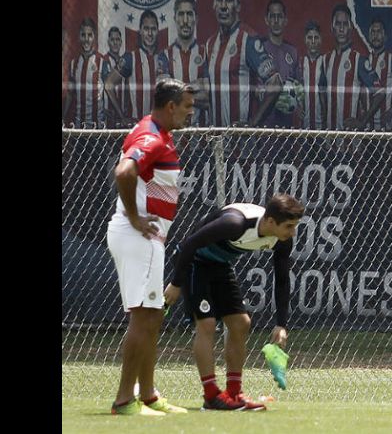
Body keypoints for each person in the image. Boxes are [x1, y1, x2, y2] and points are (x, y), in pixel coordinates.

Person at [162, 194, 305, 411]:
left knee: (241, 323)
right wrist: (176, 283)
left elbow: (282, 278)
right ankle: (211, 397)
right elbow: (189, 244)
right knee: (207, 324)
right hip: (194, 263)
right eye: (289, 226)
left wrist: (281, 324)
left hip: (220, 265)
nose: (293, 232)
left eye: (295, 226)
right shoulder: (235, 224)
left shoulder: (282, 240)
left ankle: (234, 394)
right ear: (270, 222)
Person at [106, 78, 195, 416]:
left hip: (147, 239)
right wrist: (134, 217)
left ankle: (148, 395)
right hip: (139, 237)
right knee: (143, 318)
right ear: (170, 106)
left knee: (152, 316)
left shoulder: (160, 135)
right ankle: (124, 400)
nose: (190, 113)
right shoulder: (152, 137)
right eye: (186, 106)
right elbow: (125, 172)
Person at [204, 0, 282, 127]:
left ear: (238, 6)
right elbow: (207, 94)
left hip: (242, 145)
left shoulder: (248, 40)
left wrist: (252, 125)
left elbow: (276, 84)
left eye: (229, 0)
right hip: (217, 141)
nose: (223, 6)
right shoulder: (210, 44)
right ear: (214, 5)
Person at [321, 3, 384, 130]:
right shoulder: (325, 59)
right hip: (329, 139)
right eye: (338, 24)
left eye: (345, 24)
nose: (341, 29)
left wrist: (362, 121)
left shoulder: (358, 60)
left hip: (350, 141)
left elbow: (380, 93)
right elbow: (321, 91)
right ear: (332, 28)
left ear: (350, 28)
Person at [105, 10, 170, 126]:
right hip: (136, 126)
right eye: (146, 29)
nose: (150, 33)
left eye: (153, 29)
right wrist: (122, 117)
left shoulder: (163, 58)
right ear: (140, 31)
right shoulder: (131, 57)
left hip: (157, 126)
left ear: (157, 31)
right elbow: (109, 84)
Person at [160, 0, 211, 126]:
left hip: (200, 140)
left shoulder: (205, 53)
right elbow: (165, 98)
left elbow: (208, 99)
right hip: (174, 138)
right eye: (181, 14)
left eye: (189, 14)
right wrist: (195, 87)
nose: (185, 20)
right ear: (175, 18)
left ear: (196, 19)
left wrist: (178, 93)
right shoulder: (165, 55)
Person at [253, 0, 302, 128]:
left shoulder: (293, 52)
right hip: (264, 127)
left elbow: (299, 87)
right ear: (266, 20)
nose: (276, 21)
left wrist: (296, 95)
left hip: (287, 129)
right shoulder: (258, 50)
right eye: (272, 16)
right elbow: (252, 88)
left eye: (279, 16)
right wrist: (269, 95)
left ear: (285, 20)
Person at [62, 17, 106, 127]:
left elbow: (109, 91)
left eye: (90, 35)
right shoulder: (74, 63)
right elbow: (70, 93)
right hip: (78, 125)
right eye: (83, 35)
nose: (86, 39)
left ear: (94, 37)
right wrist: (63, 116)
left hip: (97, 127)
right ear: (79, 37)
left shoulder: (102, 62)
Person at [294, 20, 327, 129]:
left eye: (316, 38)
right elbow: (293, 89)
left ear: (321, 40)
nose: (313, 41)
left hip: (322, 125)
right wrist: (296, 107)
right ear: (305, 39)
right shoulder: (299, 63)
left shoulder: (327, 62)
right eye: (309, 37)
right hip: (304, 124)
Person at [102, 26, 126, 128]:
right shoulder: (104, 60)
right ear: (108, 42)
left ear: (121, 42)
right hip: (110, 114)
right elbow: (107, 86)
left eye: (117, 40)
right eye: (112, 40)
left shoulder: (125, 61)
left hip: (123, 114)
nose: (115, 43)